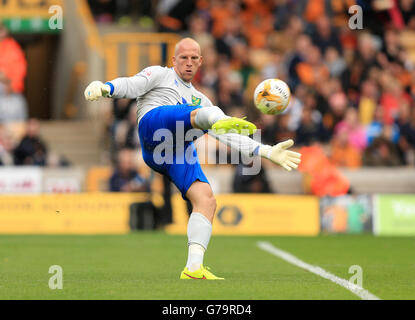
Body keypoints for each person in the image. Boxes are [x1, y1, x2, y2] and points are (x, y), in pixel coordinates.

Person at [84, 38, 301, 280]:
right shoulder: (159, 74)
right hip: (154, 129)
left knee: (206, 199)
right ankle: (218, 120)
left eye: (193, 58)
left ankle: (193, 268)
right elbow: (132, 85)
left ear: (200, 62)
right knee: (206, 114)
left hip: (176, 151)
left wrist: (267, 151)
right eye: (183, 58)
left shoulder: (201, 99)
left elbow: (227, 136)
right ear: (174, 60)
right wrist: (106, 88)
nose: (188, 63)